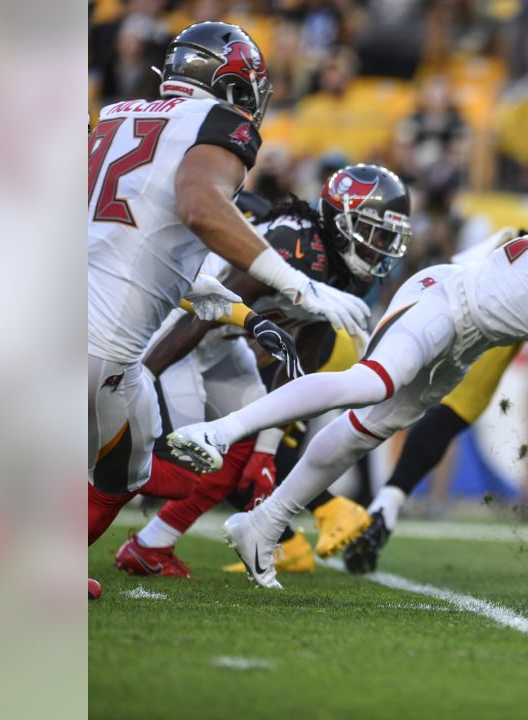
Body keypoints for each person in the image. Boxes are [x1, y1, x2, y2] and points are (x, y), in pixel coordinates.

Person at [166, 206, 528, 589]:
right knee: (373, 382)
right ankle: (218, 432)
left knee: (368, 429)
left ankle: (264, 523)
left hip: (476, 334)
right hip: (447, 298)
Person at [88, 22, 369, 555]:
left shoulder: (113, 116)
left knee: (112, 459)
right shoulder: (215, 123)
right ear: (234, 85)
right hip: (106, 348)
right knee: (116, 474)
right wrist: (296, 285)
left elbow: (120, 239)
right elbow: (200, 208)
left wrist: (218, 298)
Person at [113, 164, 411, 578]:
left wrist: (269, 452)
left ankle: (151, 545)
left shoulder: (348, 274)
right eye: (375, 232)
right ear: (342, 220)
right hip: (178, 326)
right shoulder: (295, 242)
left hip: (224, 342)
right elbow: (209, 311)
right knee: (166, 465)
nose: (381, 246)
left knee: (239, 448)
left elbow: (297, 358)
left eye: (388, 236)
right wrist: (140, 377)